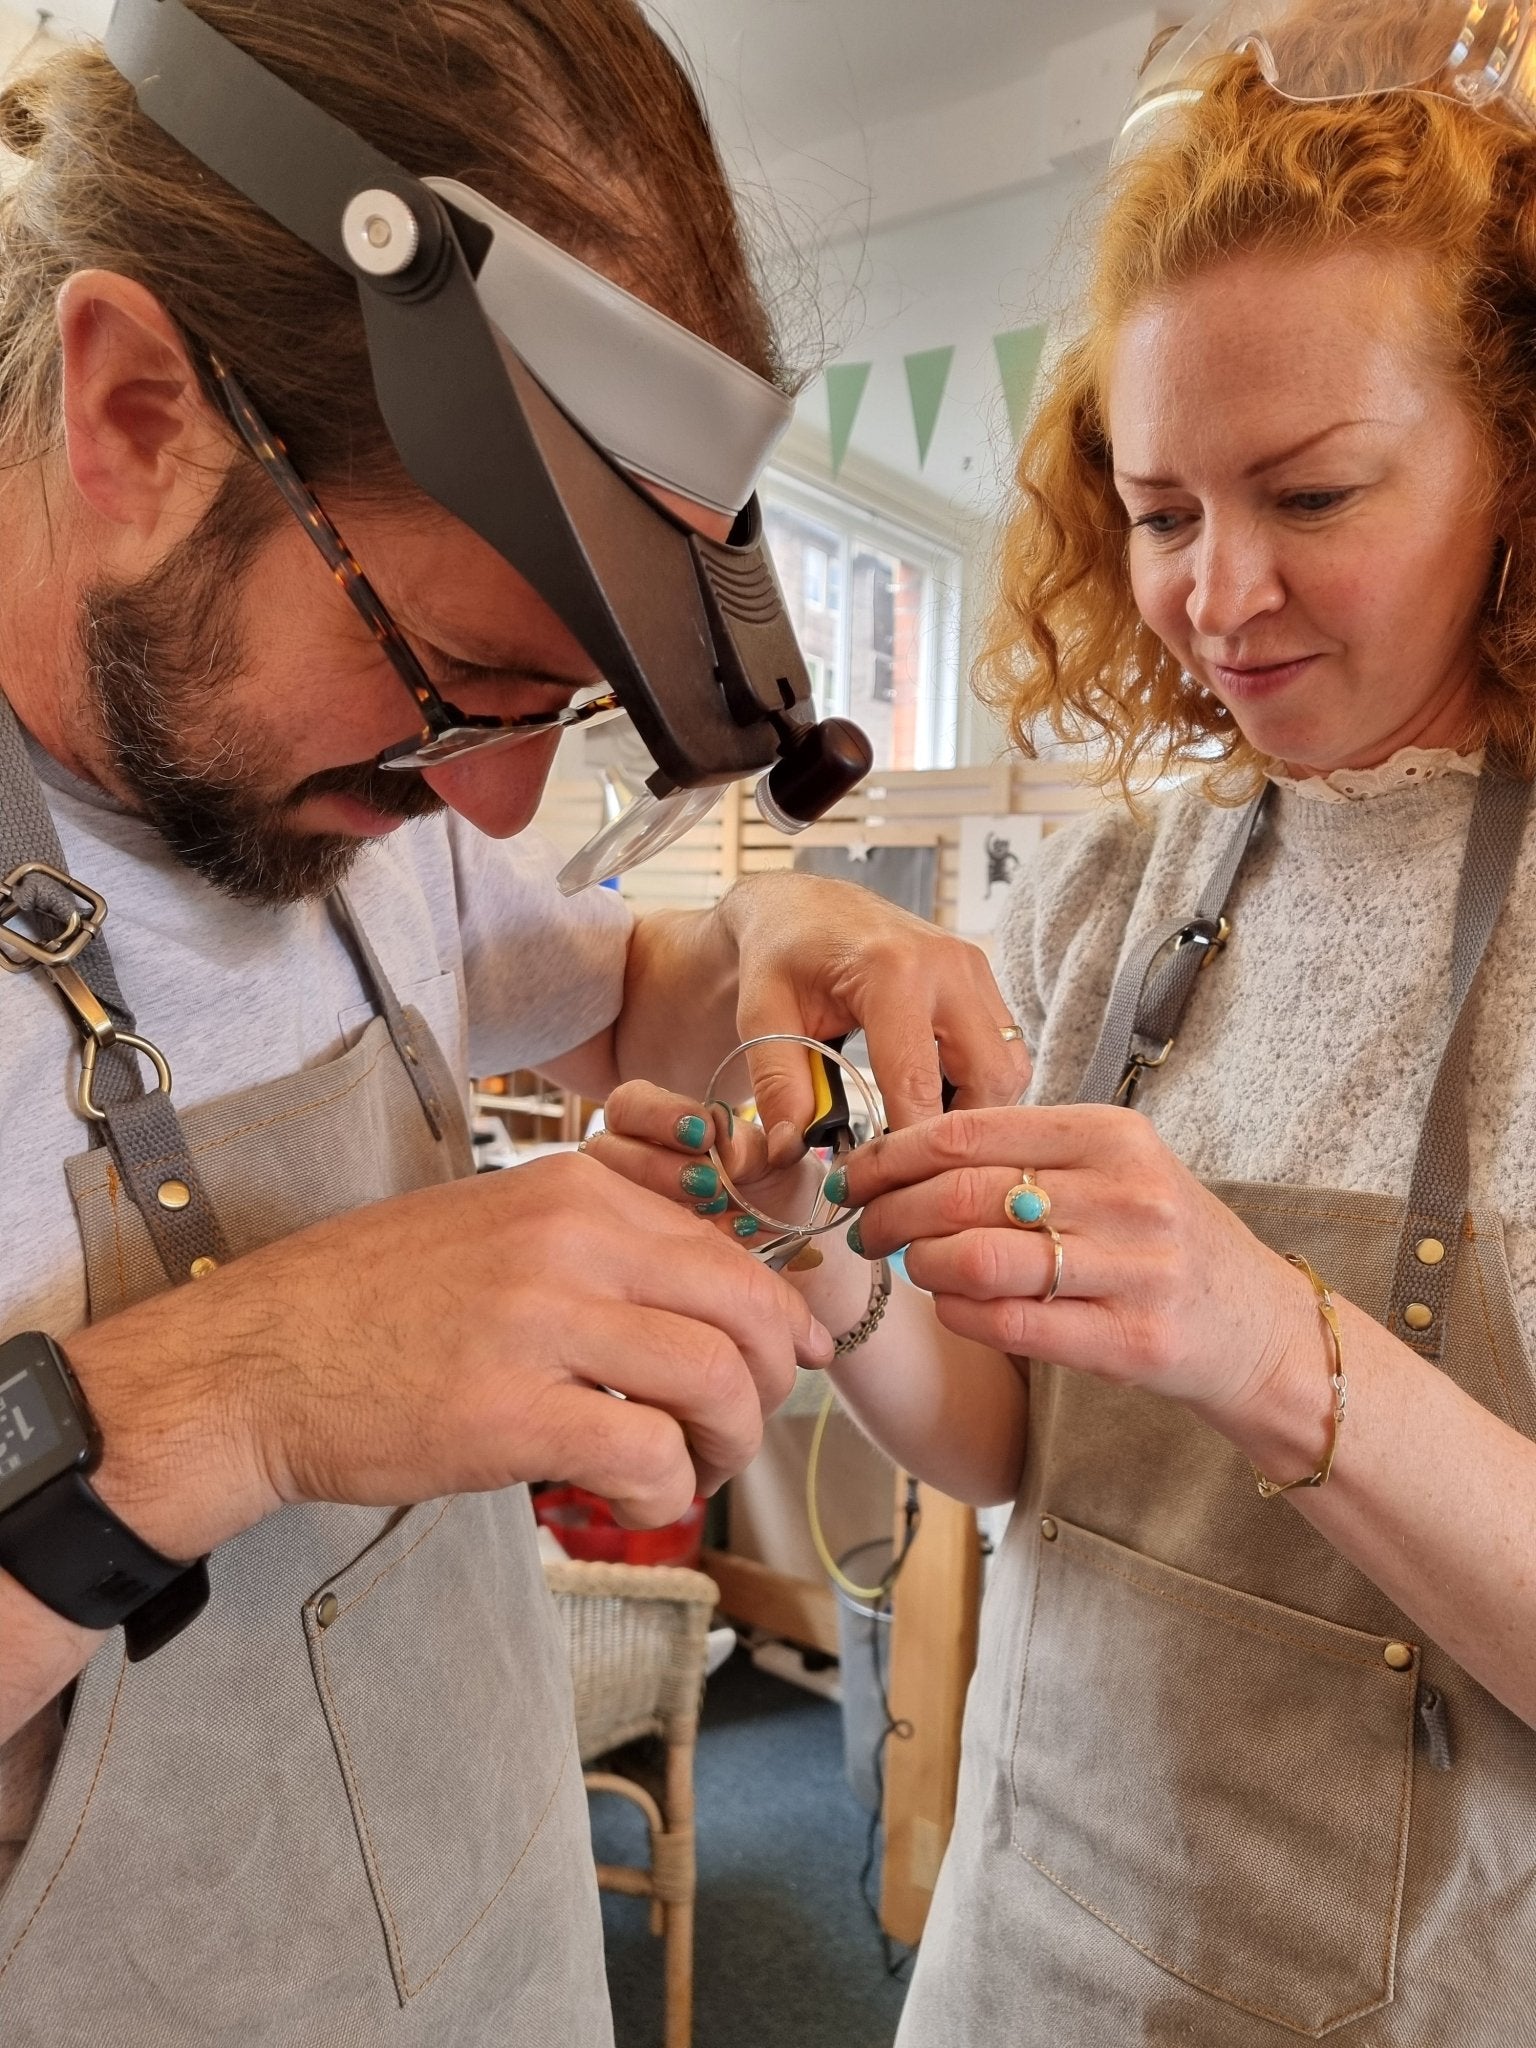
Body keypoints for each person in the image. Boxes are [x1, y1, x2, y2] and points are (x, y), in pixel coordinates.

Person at [0, 5, 1025, 2041]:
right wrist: (238, 1392)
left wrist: (772, 948)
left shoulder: (357, 807)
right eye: (458, 680)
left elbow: (618, 982)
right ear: (131, 417)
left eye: (543, 717)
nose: (484, 807)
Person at [595, 5, 1536, 2038]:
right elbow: (1020, 1452)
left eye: (1313, 494)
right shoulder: (1135, 879)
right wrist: (840, 1241)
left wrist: (1275, 1344)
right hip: (1032, 1929)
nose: (1217, 597)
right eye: (1166, 509)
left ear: (1517, 455)